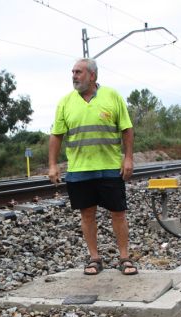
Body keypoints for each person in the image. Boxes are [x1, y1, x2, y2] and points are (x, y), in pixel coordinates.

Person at [48, 58, 138, 275]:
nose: (74, 76)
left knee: (118, 212)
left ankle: (124, 258)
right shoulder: (65, 102)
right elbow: (56, 135)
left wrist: (128, 158)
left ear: (92, 76)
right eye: (73, 72)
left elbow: (126, 129)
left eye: (78, 72)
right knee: (87, 214)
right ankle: (94, 258)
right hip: (79, 170)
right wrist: (52, 164)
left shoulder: (112, 96)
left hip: (109, 167)